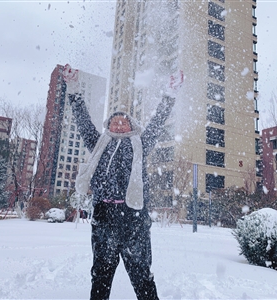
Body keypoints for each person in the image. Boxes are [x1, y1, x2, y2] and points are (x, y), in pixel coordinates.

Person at [63, 64, 184, 300]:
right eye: (114, 122)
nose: (119, 124)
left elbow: (158, 122)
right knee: (100, 275)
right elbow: (83, 120)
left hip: (134, 218)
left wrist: (170, 93)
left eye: (124, 122)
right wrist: (74, 87)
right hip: (104, 216)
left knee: (142, 276)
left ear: (132, 126)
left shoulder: (141, 143)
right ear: (108, 127)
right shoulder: (99, 143)